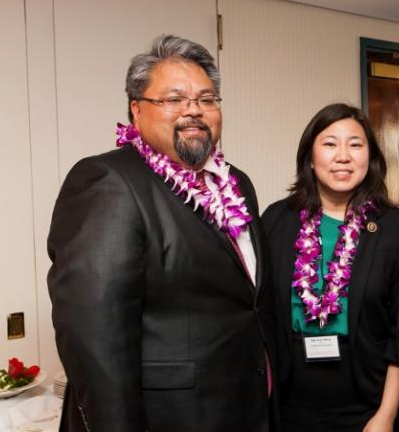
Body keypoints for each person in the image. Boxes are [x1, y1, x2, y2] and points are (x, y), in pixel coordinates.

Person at [47, 35, 275, 432]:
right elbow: (95, 342)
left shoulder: (238, 183)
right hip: (168, 419)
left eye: (207, 99)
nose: (194, 111)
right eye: (173, 99)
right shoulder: (109, 181)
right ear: (136, 109)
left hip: (244, 406)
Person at [262, 103, 399, 432]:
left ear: (370, 158)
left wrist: (386, 415)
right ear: (309, 157)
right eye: (330, 144)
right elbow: (261, 317)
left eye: (355, 144)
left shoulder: (394, 227)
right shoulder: (277, 219)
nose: (343, 156)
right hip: (289, 402)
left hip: (366, 401)